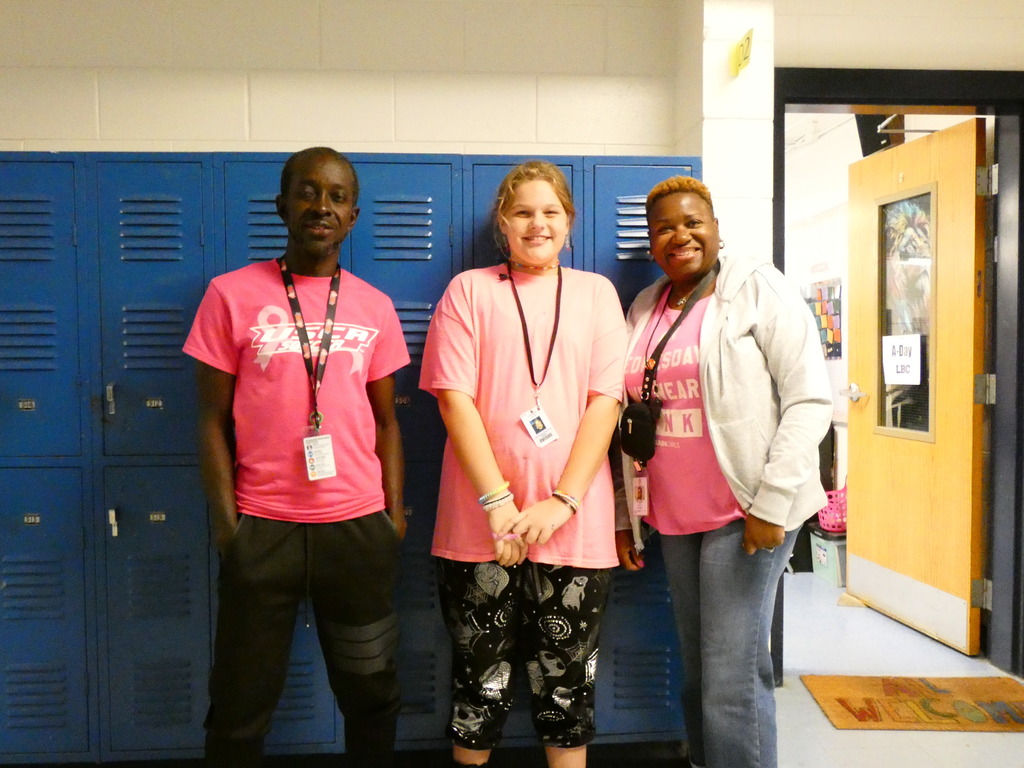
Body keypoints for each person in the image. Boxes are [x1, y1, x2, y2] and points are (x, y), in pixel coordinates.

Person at [183, 147, 409, 768]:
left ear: (353, 215)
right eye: (307, 192)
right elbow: (210, 421)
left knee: (372, 696)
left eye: (337, 196)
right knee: (238, 707)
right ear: (282, 206)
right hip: (263, 532)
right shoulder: (230, 295)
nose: (321, 206)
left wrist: (393, 519)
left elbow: (387, 422)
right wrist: (229, 529)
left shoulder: (374, 306)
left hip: (357, 532)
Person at [615, 176, 832, 768]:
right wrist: (627, 515)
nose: (680, 236)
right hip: (676, 516)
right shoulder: (646, 305)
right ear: (651, 242)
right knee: (701, 669)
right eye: (664, 228)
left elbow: (809, 400)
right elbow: (625, 419)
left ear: (715, 228)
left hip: (745, 512)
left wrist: (772, 503)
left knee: (730, 676)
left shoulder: (757, 287)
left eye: (693, 223)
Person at [419, 160, 627, 768]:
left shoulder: (596, 294)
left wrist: (562, 502)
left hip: (574, 531)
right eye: (523, 212)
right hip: (479, 529)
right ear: (502, 224)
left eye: (550, 212)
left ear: (569, 222)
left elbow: (606, 402)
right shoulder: (469, 291)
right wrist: (498, 504)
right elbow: (453, 398)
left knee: (567, 694)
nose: (538, 223)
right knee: (478, 687)